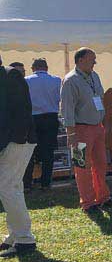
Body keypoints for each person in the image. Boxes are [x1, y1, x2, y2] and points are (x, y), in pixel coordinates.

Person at [60, 48, 112, 213]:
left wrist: (103, 123)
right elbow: (67, 109)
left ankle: (103, 197)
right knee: (82, 167)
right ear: (80, 61)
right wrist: (70, 133)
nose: (95, 62)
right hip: (79, 129)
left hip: (97, 128)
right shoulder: (70, 80)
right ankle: (87, 202)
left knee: (101, 164)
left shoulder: (94, 76)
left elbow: (99, 99)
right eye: (91, 59)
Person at [0, 57, 39, 257]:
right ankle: (16, 235)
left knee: (7, 187)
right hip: (10, 142)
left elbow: (22, 111)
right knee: (13, 188)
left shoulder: (10, 75)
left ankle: (25, 239)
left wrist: (18, 139)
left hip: (17, 142)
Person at [23, 58, 61, 191]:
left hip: (33, 118)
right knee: (48, 152)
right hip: (51, 117)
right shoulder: (57, 80)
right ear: (47, 67)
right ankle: (46, 183)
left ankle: (27, 183)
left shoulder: (26, 80)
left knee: (30, 152)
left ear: (33, 68)